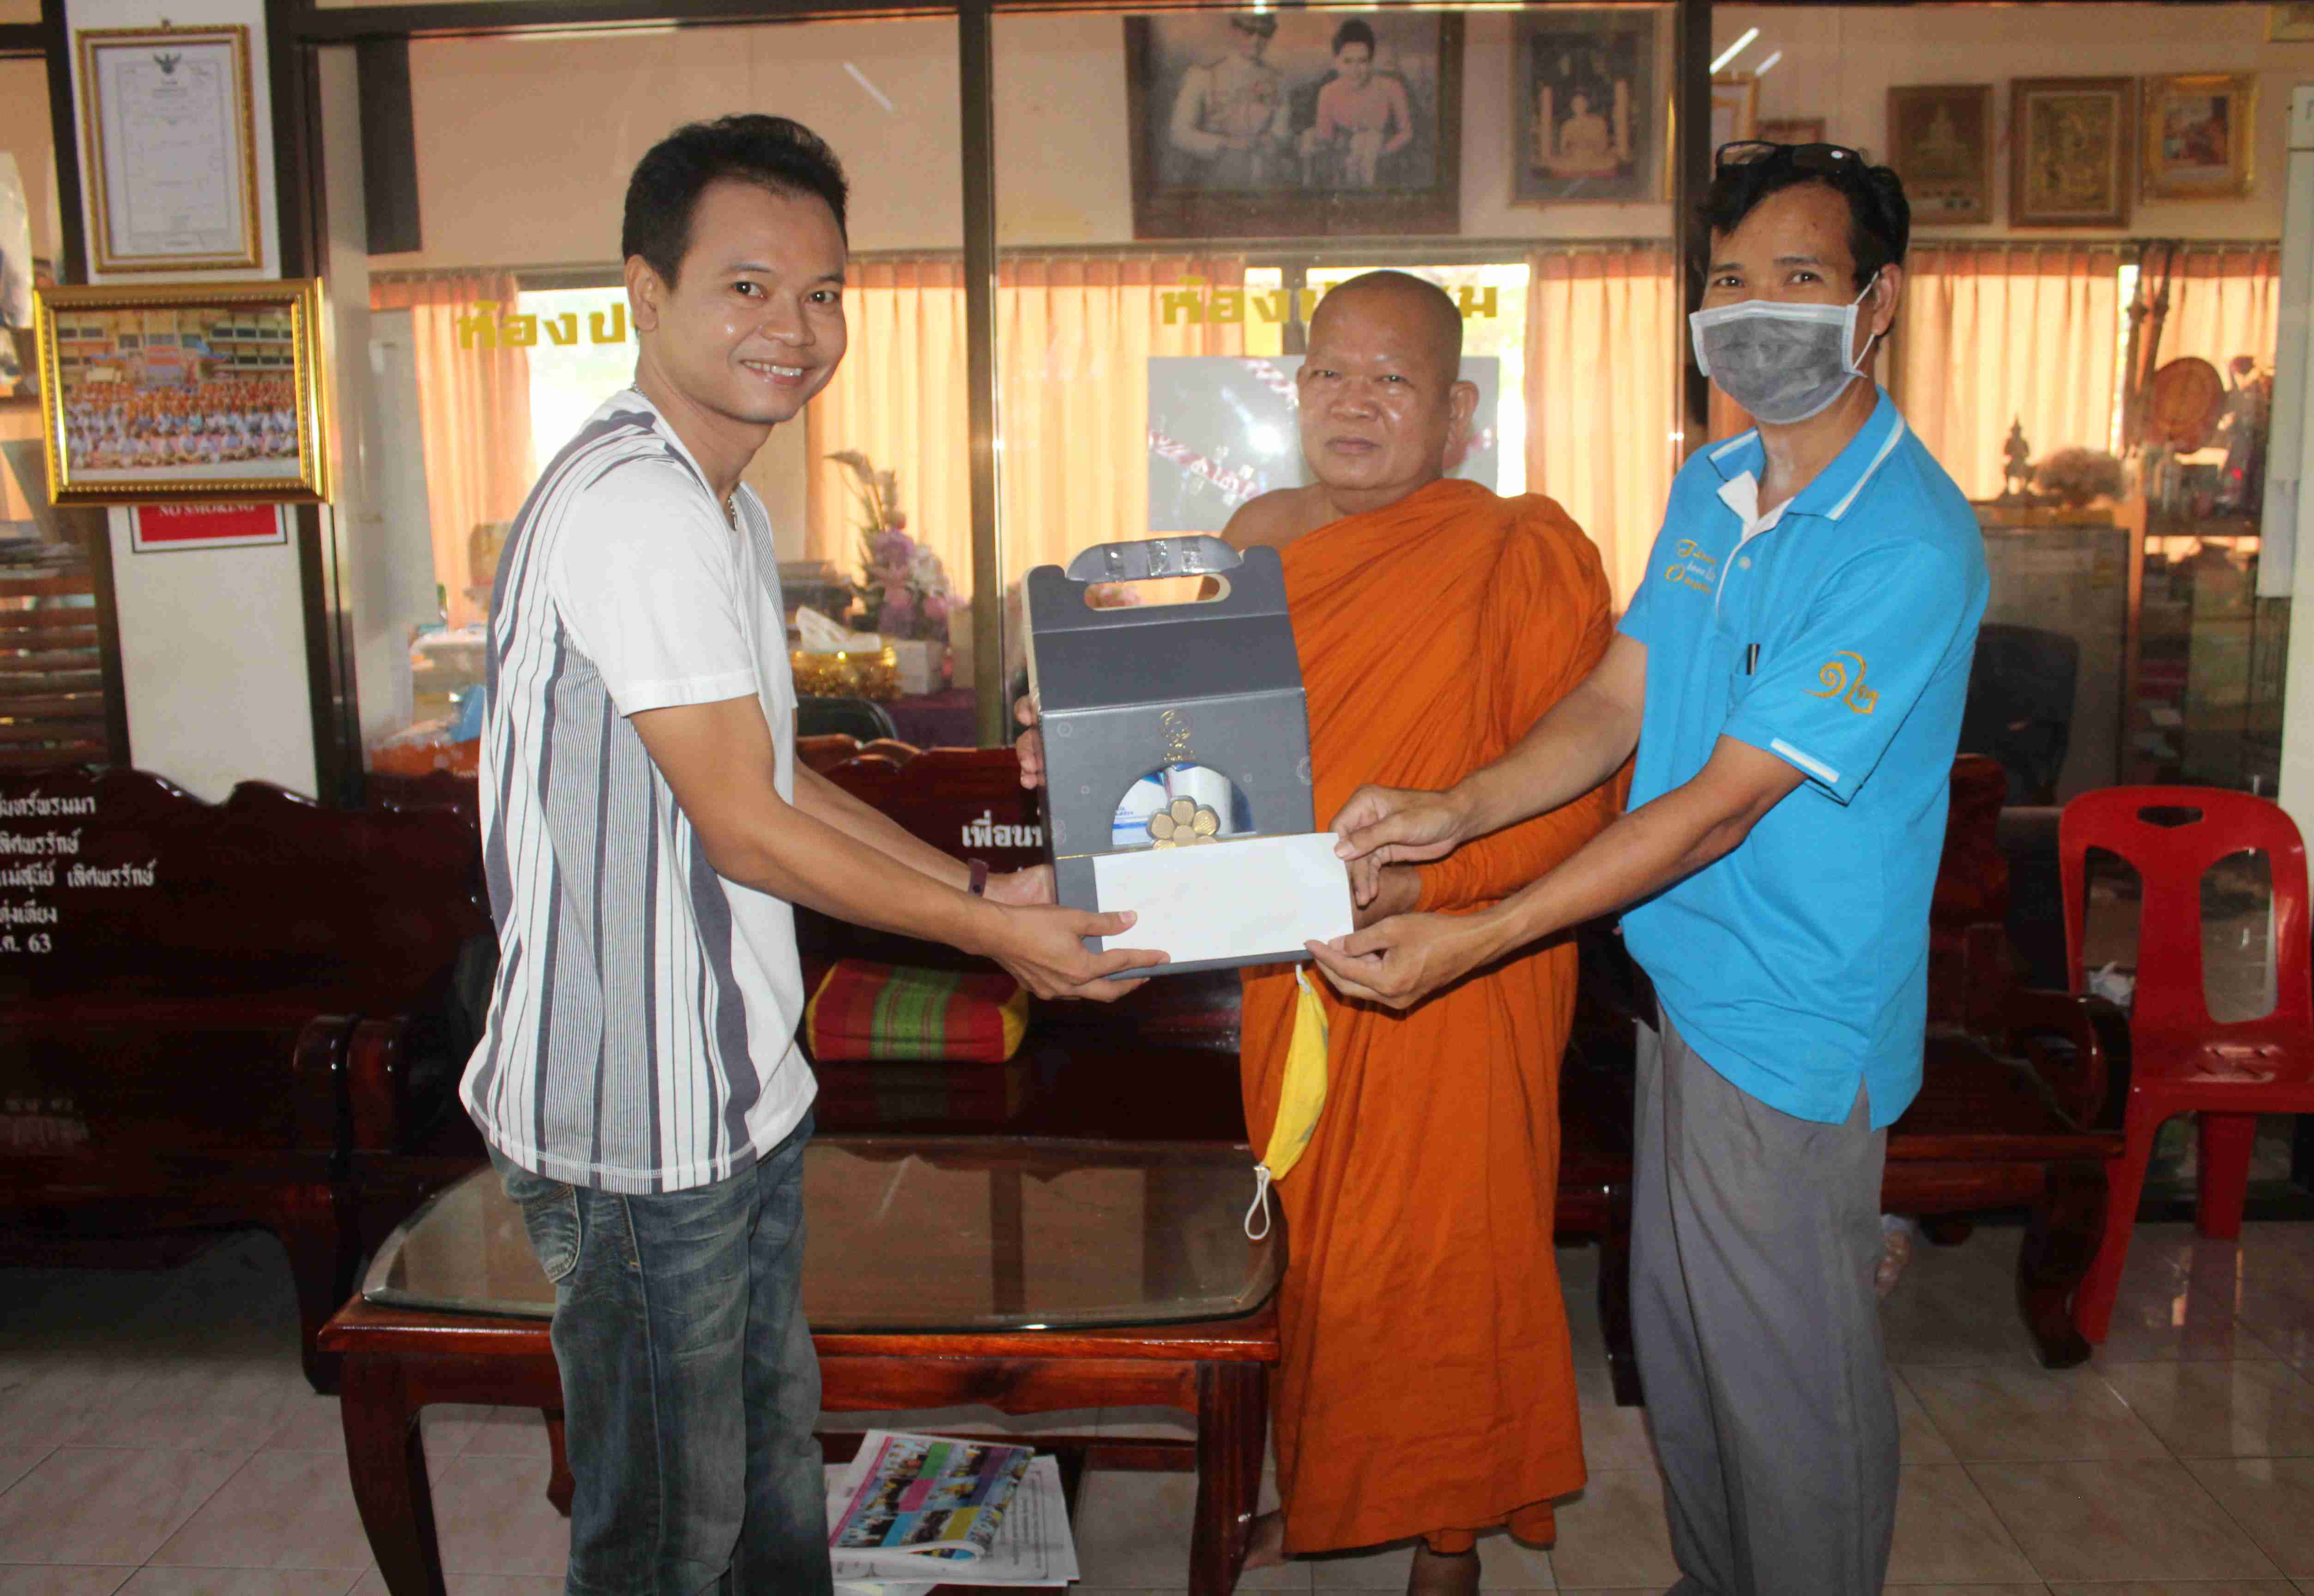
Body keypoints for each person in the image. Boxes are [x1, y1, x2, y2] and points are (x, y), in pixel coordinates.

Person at [464, 115, 1162, 1596]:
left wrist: (982, 889)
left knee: (772, 1478)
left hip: (733, 1088)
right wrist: (1002, 940)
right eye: (747, 286)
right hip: (639, 1120)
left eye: (823, 292)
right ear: (646, 290)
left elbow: (769, 773)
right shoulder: (637, 504)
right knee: (667, 1533)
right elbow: (746, 825)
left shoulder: (712, 499)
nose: (793, 328)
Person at [1312, 145, 1988, 1596]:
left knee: (1791, 1394)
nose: (1754, 312)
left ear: (1876, 300)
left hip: (1793, 1019)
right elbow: (1622, 698)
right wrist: (1453, 808)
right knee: (1689, 1362)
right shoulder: (1717, 482)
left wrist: (1477, 933)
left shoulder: (1906, 544)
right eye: (1730, 281)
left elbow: (1717, 812)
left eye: (1797, 278)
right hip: (1683, 987)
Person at [1017, 271, 1619, 1593]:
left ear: (1457, 413)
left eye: (1392, 380)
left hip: (1465, 963)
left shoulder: (1521, 550)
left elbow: (1584, 798)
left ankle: (1447, 1541)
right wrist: (1079, 759)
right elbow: (1195, 751)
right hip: (1297, 963)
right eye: (1329, 374)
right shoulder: (1258, 538)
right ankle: (1332, 1491)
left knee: (1451, 1255)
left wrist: (1432, 891)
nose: (1353, 402)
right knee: (1322, 1251)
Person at [1167, 11, 1290, 189]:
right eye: (1249, 32)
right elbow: (1179, 133)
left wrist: (1272, 141)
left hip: (1262, 179)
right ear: (1234, 31)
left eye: (1264, 33)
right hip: (1213, 178)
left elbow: (1282, 132)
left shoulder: (1278, 81)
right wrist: (1224, 144)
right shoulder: (1203, 75)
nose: (1256, 40)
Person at [1302, 19, 1412, 188]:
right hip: (1345, 163)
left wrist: (1380, 153)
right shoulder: (1328, 92)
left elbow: (1406, 133)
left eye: (1363, 61)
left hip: (1383, 165)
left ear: (1372, 62)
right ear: (1336, 63)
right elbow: (1326, 137)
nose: (1355, 70)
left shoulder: (1392, 88)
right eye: (1347, 61)